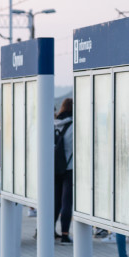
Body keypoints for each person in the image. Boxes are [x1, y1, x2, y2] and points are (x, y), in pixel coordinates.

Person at [54, 98, 73, 245]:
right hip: (69, 167)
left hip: (54, 168)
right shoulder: (74, 125)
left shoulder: (54, 124)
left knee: (55, 201)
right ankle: (65, 234)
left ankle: (49, 230)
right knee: (66, 201)